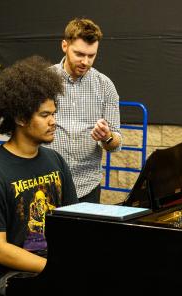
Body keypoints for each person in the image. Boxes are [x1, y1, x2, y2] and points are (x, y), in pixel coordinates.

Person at [0, 55, 78, 295]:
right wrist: (54, 268)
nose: (53, 122)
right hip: (8, 273)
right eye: (44, 115)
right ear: (20, 118)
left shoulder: (55, 161)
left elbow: (73, 222)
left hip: (48, 262)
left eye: (54, 114)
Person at [47, 17, 122, 203]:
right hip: (46, 182)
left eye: (91, 55)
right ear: (65, 46)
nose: (86, 62)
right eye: (79, 54)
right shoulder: (43, 80)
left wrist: (107, 137)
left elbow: (116, 142)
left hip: (87, 185)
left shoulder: (105, 86)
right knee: (43, 234)